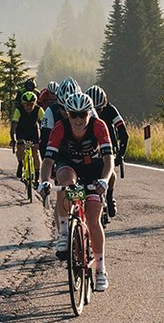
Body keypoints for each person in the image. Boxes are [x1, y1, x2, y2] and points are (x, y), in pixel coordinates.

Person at [45, 90, 113, 291]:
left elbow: (109, 160)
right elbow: (48, 161)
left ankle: (100, 268)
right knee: (65, 182)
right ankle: (65, 232)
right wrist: (43, 182)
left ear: (89, 113)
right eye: (73, 114)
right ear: (67, 113)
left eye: (82, 114)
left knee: (93, 219)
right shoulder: (60, 127)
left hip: (93, 168)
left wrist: (104, 180)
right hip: (68, 166)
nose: (78, 119)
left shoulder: (99, 126)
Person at [91, 85, 128, 220]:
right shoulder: (84, 113)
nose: (97, 113)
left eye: (99, 109)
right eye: (93, 110)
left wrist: (120, 155)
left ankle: (110, 195)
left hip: (109, 144)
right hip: (92, 145)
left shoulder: (111, 110)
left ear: (104, 105)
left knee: (110, 171)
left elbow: (124, 134)